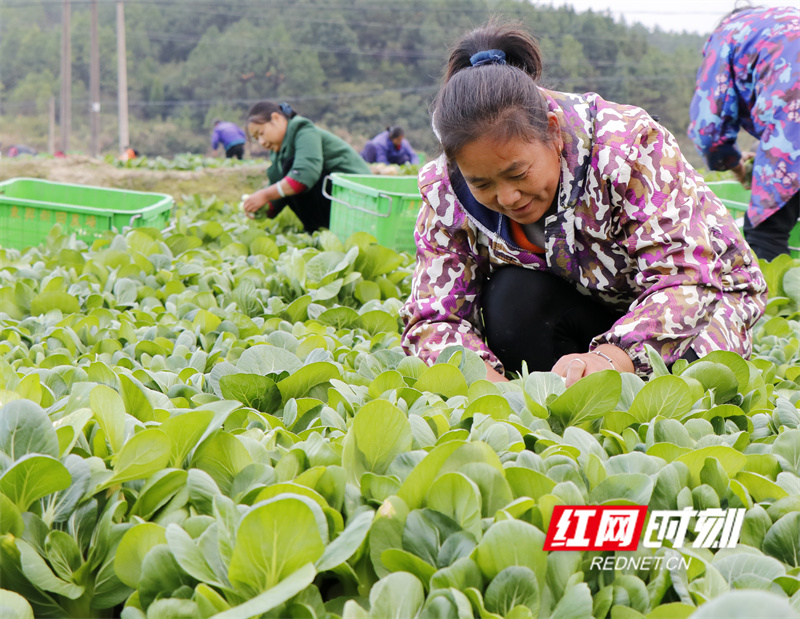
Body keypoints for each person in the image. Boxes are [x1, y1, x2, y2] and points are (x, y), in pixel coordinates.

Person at [400, 21, 767, 387]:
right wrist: (491, 387)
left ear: (554, 132)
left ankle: (608, 379)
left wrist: (610, 360)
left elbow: (687, 282)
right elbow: (432, 319)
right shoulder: (446, 190)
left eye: (518, 173)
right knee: (512, 299)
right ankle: (571, 392)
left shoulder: (630, 149)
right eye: (482, 183)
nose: (507, 197)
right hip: (588, 304)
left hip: (701, 306)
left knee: (690, 377)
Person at [688, 6, 800, 262]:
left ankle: (777, 303)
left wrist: (734, 164)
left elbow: (709, 129)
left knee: (766, 233)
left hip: (793, 124)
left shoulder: (727, 35)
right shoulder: (779, 23)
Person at [242, 101, 371, 232]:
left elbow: (305, 174)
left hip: (359, 198)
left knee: (293, 171)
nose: (261, 142)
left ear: (276, 118)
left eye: (262, 133)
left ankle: (319, 229)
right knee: (287, 178)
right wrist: (262, 207)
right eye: (256, 138)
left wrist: (265, 195)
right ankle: (319, 231)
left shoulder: (303, 129)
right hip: (337, 197)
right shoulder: (279, 151)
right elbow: (277, 186)